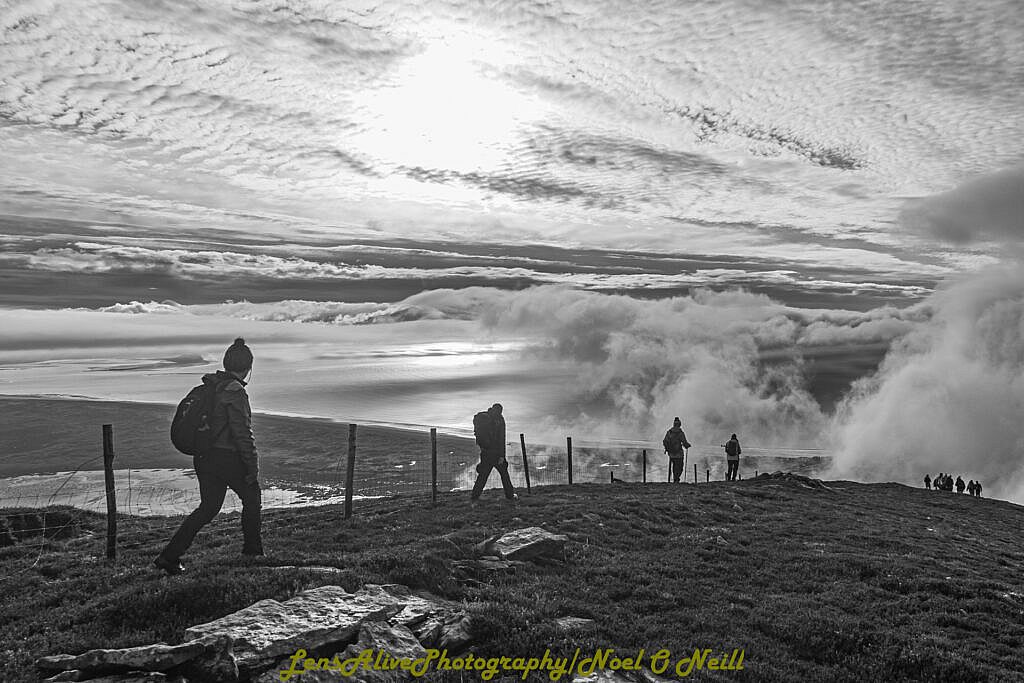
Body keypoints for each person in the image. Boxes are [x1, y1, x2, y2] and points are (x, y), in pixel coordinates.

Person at [155, 338, 262, 575]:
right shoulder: (235, 392)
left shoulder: (209, 387)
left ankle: (169, 556)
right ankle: (253, 553)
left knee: (208, 508)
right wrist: (252, 468)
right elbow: (243, 434)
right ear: (249, 366)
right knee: (252, 497)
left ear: (226, 363)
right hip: (227, 458)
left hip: (204, 457)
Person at [470, 403, 517, 504]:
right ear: (500, 410)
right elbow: (501, 439)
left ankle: (474, 496)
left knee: (483, 475)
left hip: (485, 452)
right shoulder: (499, 420)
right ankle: (510, 496)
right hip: (496, 453)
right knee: (504, 475)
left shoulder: (485, 417)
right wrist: (502, 456)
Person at [662, 417, 692, 483]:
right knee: (679, 467)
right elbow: (684, 443)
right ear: (679, 424)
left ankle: (674, 479)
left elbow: (665, 441)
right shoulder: (680, 433)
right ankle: (676, 479)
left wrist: (668, 449)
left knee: (674, 466)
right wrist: (688, 445)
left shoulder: (669, 432)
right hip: (679, 454)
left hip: (671, 454)